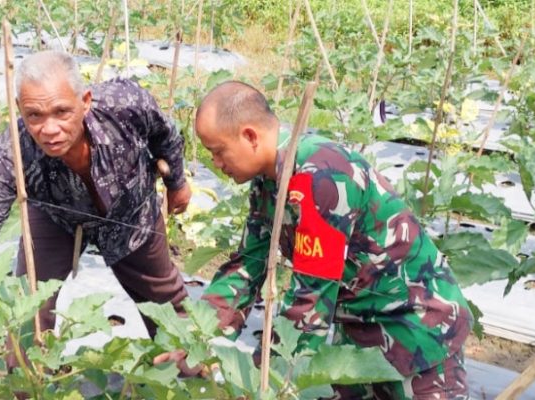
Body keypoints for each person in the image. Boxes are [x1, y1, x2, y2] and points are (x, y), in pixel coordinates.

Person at [0, 50, 191, 400]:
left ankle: (192, 379)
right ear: (19, 110)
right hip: (53, 215)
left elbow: (166, 134)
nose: (49, 128)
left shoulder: (125, 104)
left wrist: (177, 182)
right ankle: (32, 389)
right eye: (34, 115)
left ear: (85, 101)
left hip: (130, 214)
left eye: (61, 111)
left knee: (167, 305)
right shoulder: (14, 150)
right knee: (28, 311)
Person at [192, 81, 473, 399]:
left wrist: (262, 380)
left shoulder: (321, 178)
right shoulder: (267, 184)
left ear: (250, 136)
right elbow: (247, 266)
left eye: (218, 151)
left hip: (418, 329)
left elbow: (310, 300)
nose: (216, 163)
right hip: (360, 338)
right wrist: (196, 340)